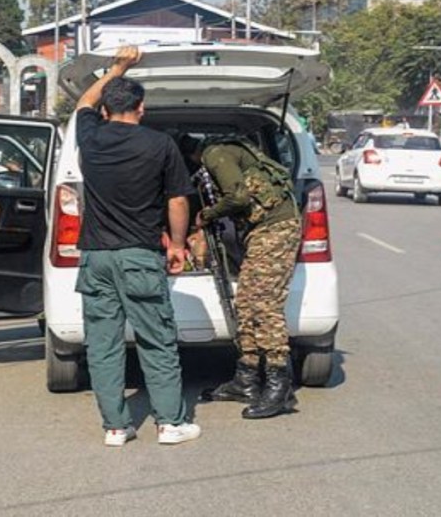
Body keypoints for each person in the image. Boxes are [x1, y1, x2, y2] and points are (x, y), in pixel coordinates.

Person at [73, 45, 201, 447]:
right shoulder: (160, 145)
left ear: (107, 110)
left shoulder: (90, 138)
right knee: (156, 339)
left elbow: (84, 101)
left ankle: (115, 426)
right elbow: (177, 200)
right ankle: (169, 424)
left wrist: (119, 66)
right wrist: (178, 245)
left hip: (95, 257)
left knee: (103, 345)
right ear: (141, 109)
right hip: (140, 256)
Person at [186, 133, 303, 420]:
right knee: (247, 303)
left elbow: (238, 196)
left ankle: (280, 387)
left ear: (192, 154)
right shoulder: (222, 151)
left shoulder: (214, 153)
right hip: (263, 231)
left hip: (275, 229)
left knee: (264, 305)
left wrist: (208, 214)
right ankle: (246, 379)